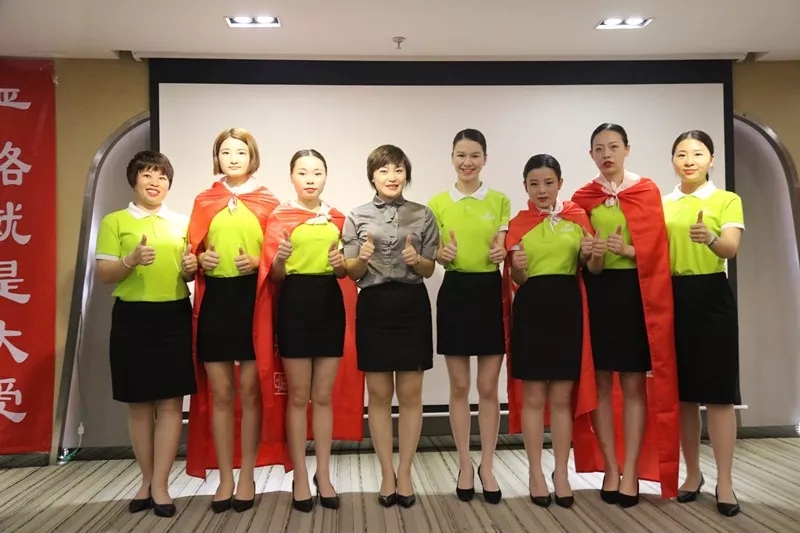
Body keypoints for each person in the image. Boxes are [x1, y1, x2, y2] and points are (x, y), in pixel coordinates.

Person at [571, 123, 680, 506]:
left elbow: (659, 249)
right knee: (600, 384)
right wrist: (597, 255)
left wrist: (628, 251)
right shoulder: (583, 198)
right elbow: (587, 264)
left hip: (636, 295)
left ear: (627, 149)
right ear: (591, 154)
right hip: (598, 296)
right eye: (599, 148)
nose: (607, 154)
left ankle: (631, 469)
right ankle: (612, 468)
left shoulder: (645, 191)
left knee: (634, 385)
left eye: (613, 146)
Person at [185, 128, 288, 513]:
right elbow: (190, 253)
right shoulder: (204, 200)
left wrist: (257, 262)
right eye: (225, 152)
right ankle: (225, 478)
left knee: (250, 390)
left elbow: (278, 256)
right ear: (217, 157)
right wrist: (200, 260)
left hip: (253, 301)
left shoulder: (268, 202)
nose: (232, 158)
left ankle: (246, 476)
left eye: (240, 152)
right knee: (221, 394)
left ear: (252, 157)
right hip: (215, 302)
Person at [256, 149, 364, 512]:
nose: (310, 179)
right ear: (292, 177)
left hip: (328, 304)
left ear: (325, 176)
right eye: (303, 172)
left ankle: (324, 475)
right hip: (294, 304)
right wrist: (280, 259)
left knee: (323, 396)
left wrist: (340, 264)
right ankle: (300, 477)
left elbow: (345, 271)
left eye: (317, 172)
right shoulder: (280, 217)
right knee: (298, 395)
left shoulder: (337, 218)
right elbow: (274, 276)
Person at [94, 151, 197, 519]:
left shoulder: (182, 222)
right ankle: (146, 481)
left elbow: (187, 272)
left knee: (170, 404)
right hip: (132, 318)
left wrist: (190, 269)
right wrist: (131, 261)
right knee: (138, 405)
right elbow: (104, 274)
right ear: (134, 181)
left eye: (162, 177)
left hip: (174, 315)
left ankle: (162, 485)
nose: (155, 183)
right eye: (148, 175)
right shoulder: (115, 221)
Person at [342, 144, 440, 508]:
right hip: (374, 306)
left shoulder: (423, 214)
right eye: (384, 170)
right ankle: (386, 473)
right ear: (373, 176)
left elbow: (429, 268)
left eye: (398, 169)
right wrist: (362, 258)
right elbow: (351, 271)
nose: (392, 176)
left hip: (411, 304)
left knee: (411, 395)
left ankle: (406, 473)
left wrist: (417, 260)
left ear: (406, 174)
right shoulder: (357, 215)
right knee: (380, 395)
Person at [502, 154, 599, 509]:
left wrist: (590, 254)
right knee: (533, 397)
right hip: (531, 310)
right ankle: (535, 473)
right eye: (534, 184)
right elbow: (517, 279)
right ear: (525, 187)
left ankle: (561, 473)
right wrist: (518, 267)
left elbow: (592, 266)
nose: (541, 190)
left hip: (567, 310)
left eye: (548, 183)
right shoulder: (518, 224)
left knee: (561, 398)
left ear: (560, 183)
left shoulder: (578, 218)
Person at [663, 130, 743, 517]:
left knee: (720, 395)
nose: (689, 160)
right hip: (672, 297)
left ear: (711, 159)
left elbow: (730, 247)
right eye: (681, 154)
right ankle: (692, 475)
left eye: (697, 153)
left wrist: (710, 237)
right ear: (673, 161)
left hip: (712, 296)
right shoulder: (663, 204)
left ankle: (725, 482)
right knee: (684, 396)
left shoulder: (726, 199)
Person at [426, 128, 509, 503]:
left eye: (475, 155)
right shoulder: (437, 203)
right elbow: (432, 252)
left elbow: (502, 246)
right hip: (456, 292)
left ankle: (487, 466)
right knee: (459, 387)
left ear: (485, 159)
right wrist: (440, 255)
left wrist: (500, 254)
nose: (467, 162)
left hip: (490, 292)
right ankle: (464, 464)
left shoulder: (501, 201)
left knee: (488, 387)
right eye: (461, 155)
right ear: (452, 159)